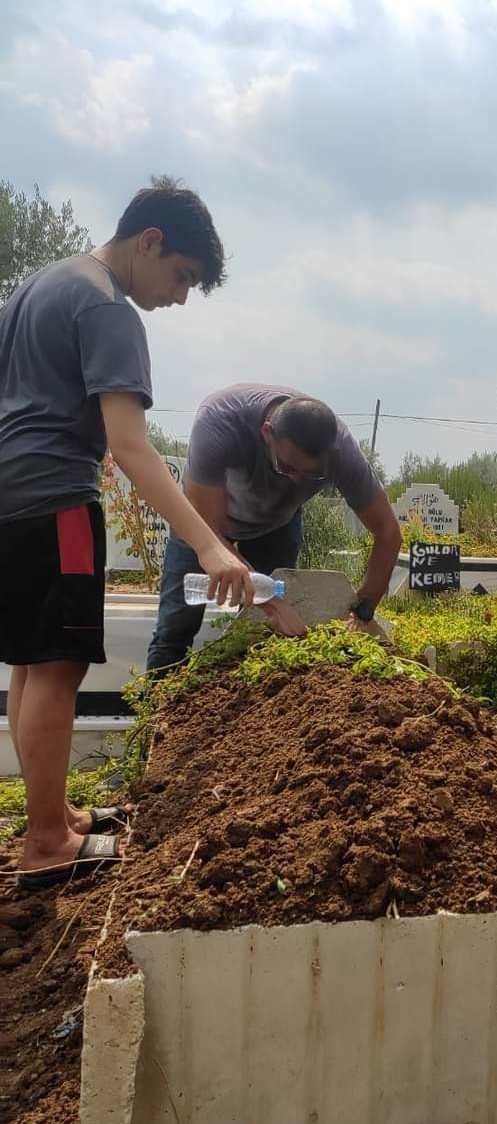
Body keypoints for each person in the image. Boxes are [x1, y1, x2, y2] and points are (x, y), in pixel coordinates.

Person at [0, 177, 252, 888]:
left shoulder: (39, 286)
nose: (177, 297)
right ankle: (49, 843)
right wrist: (208, 543)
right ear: (149, 242)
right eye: (181, 276)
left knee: (30, 660)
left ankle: (49, 815)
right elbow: (131, 445)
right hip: (55, 497)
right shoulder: (107, 307)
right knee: (59, 666)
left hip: (9, 497)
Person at [145, 384, 401, 672]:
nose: (296, 481)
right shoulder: (221, 421)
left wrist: (363, 610)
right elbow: (207, 528)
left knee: (265, 635)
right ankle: (158, 709)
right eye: (287, 468)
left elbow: (388, 532)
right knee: (175, 630)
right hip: (204, 525)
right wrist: (272, 601)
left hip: (275, 528)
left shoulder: (343, 454)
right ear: (267, 433)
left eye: (312, 475)